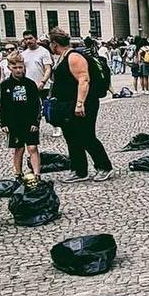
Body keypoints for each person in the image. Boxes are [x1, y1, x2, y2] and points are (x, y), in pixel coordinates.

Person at [49, 28, 114, 183]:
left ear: (55, 43)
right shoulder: (62, 57)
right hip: (67, 104)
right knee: (71, 137)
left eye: (50, 43)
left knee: (86, 136)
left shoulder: (74, 57)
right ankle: (79, 170)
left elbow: (83, 80)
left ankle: (104, 167)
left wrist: (80, 104)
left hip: (84, 103)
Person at [0, 52, 42, 182]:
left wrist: (36, 122)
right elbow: (2, 105)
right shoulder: (5, 85)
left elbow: (36, 104)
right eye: (15, 68)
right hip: (14, 121)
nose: (18, 70)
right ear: (9, 68)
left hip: (29, 120)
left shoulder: (30, 84)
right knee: (19, 148)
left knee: (32, 147)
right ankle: (18, 173)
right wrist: (3, 123)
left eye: (20, 67)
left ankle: (37, 174)